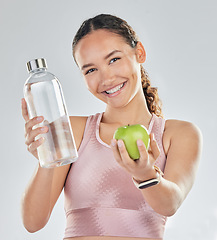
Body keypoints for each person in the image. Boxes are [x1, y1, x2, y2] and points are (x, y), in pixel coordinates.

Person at [21, 14, 202, 240]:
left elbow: (170, 204)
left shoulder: (176, 134)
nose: (106, 78)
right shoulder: (73, 130)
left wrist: (145, 175)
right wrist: (46, 159)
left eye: (114, 59)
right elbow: (32, 222)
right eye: (90, 70)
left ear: (140, 53)